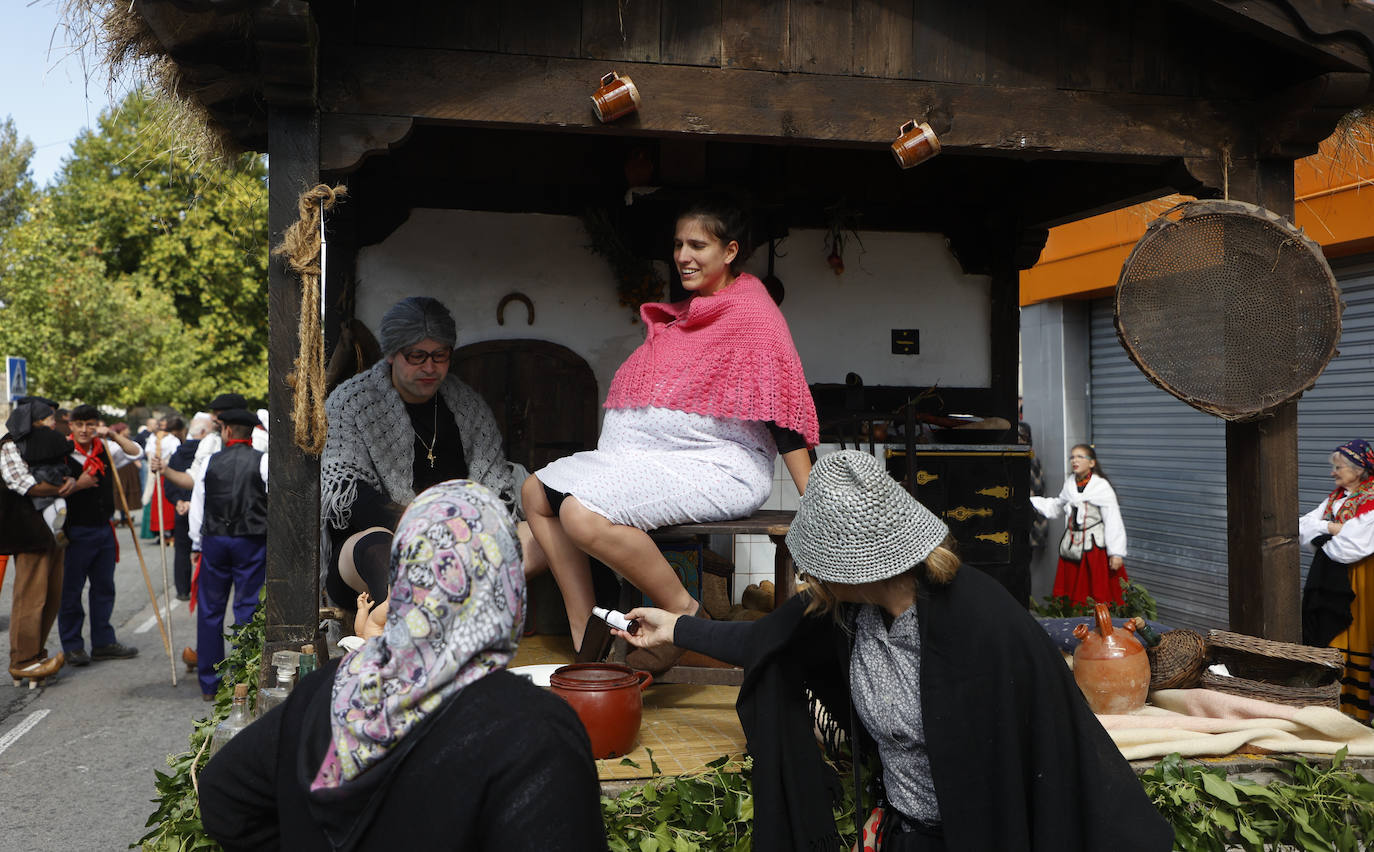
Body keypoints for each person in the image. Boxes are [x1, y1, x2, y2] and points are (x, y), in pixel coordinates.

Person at [615, 451, 1172, 851]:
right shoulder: (848, 610)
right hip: (905, 831)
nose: (810, 577)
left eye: (819, 567)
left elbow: (1042, 758)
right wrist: (674, 630)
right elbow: (766, 638)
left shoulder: (983, 624)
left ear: (856, 568)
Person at [199, 480, 608, 852]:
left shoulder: (328, 690)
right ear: (506, 588)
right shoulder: (535, 734)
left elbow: (222, 795)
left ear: (404, 578)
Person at [523, 197, 818, 672]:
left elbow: (783, 415)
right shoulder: (687, 315)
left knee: (580, 514)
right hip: (653, 460)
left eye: (698, 244)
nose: (684, 255)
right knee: (534, 490)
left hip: (720, 465)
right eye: (679, 244)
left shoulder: (753, 317)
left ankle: (684, 612)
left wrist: (819, 504)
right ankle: (587, 633)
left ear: (730, 251)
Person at [320, 296, 542, 620]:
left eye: (440, 356)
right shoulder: (351, 403)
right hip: (378, 542)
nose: (429, 367)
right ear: (392, 354)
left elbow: (494, 490)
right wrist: (419, 524)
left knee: (540, 534)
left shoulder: (468, 407)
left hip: (459, 543)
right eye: (417, 356)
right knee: (380, 547)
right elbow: (347, 492)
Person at [189, 409, 269, 700]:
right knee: (247, 607)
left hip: (215, 539)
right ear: (251, 433)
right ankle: (243, 679)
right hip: (250, 540)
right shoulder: (263, 461)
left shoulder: (210, 461)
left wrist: (196, 545)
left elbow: (198, 506)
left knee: (210, 609)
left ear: (226, 432)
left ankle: (209, 683)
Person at [59, 404, 144, 667]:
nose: (85, 430)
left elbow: (136, 452)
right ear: (71, 426)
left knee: (104, 588)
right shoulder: (62, 452)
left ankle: (103, 642)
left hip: (103, 529)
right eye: (79, 424)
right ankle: (73, 646)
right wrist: (78, 485)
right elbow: (54, 491)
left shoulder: (106, 448)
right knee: (71, 591)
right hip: (74, 531)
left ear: (97, 425)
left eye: (90, 424)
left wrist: (113, 435)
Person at [1299, 438, 1374, 721]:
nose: (1333, 472)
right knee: (1328, 636)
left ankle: (1356, 711)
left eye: (1339, 467)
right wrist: (1332, 527)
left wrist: (1322, 536)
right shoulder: (1336, 499)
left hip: (1360, 580)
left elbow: (1352, 548)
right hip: (1328, 577)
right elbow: (1299, 526)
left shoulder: (1372, 500)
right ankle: (1332, 704)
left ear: (1358, 468)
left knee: (1356, 634)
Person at [1, 399, 74, 683]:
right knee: (30, 597)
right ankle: (22, 660)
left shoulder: (46, 445)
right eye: (48, 419)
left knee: (51, 595)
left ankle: (36, 654)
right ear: (33, 421)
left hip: (51, 532)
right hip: (26, 531)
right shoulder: (9, 445)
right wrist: (63, 487)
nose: (53, 424)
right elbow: (23, 484)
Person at [1030, 443, 1129, 607]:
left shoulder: (1101, 487)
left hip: (1094, 550)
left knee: (1096, 593)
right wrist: (1032, 501)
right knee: (1071, 594)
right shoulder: (1070, 485)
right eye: (1072, 457)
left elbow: (1113, 520)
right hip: (1072, 549)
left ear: (1092, 463)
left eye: (1080, 457)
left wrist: (1116, 553)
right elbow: (1056, 507)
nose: (1074, 460)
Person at [10, 401, 70, 540]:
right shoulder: (54, 435)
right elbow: (67, 447)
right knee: (59, 499)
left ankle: (56, 530)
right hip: (58, 472)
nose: (54, 422)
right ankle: (62, 508)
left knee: (44, 504)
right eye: (51, 419)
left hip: (38, 474)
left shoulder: (24, 439)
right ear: (42, 420)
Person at [163, 415, 208, 600]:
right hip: (200, 509)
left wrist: (178, 501)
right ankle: (203, 588)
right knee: (204, 549)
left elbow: (170, 483)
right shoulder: (207, 452)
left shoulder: (178, 453)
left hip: (182, 508)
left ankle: (183, 590)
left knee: (182, 550)